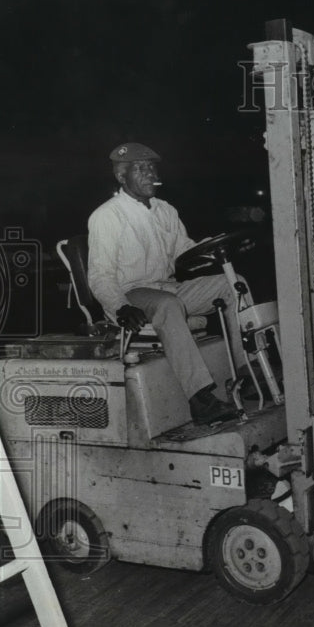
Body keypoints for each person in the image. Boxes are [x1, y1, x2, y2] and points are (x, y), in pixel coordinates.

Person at [88, 142, 244, 425]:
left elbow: (184, 250)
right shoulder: (107, 216)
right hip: (132, 293)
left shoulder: (165, 210)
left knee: (232, 283)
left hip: (168, 286)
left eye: (151, 167)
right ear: (122, 177)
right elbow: (99, 274)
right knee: (168, 305)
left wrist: (214, 249)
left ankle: (244, 368)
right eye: (140, 169)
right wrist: (120, 306)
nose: (149, 173)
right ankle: (201, 400)